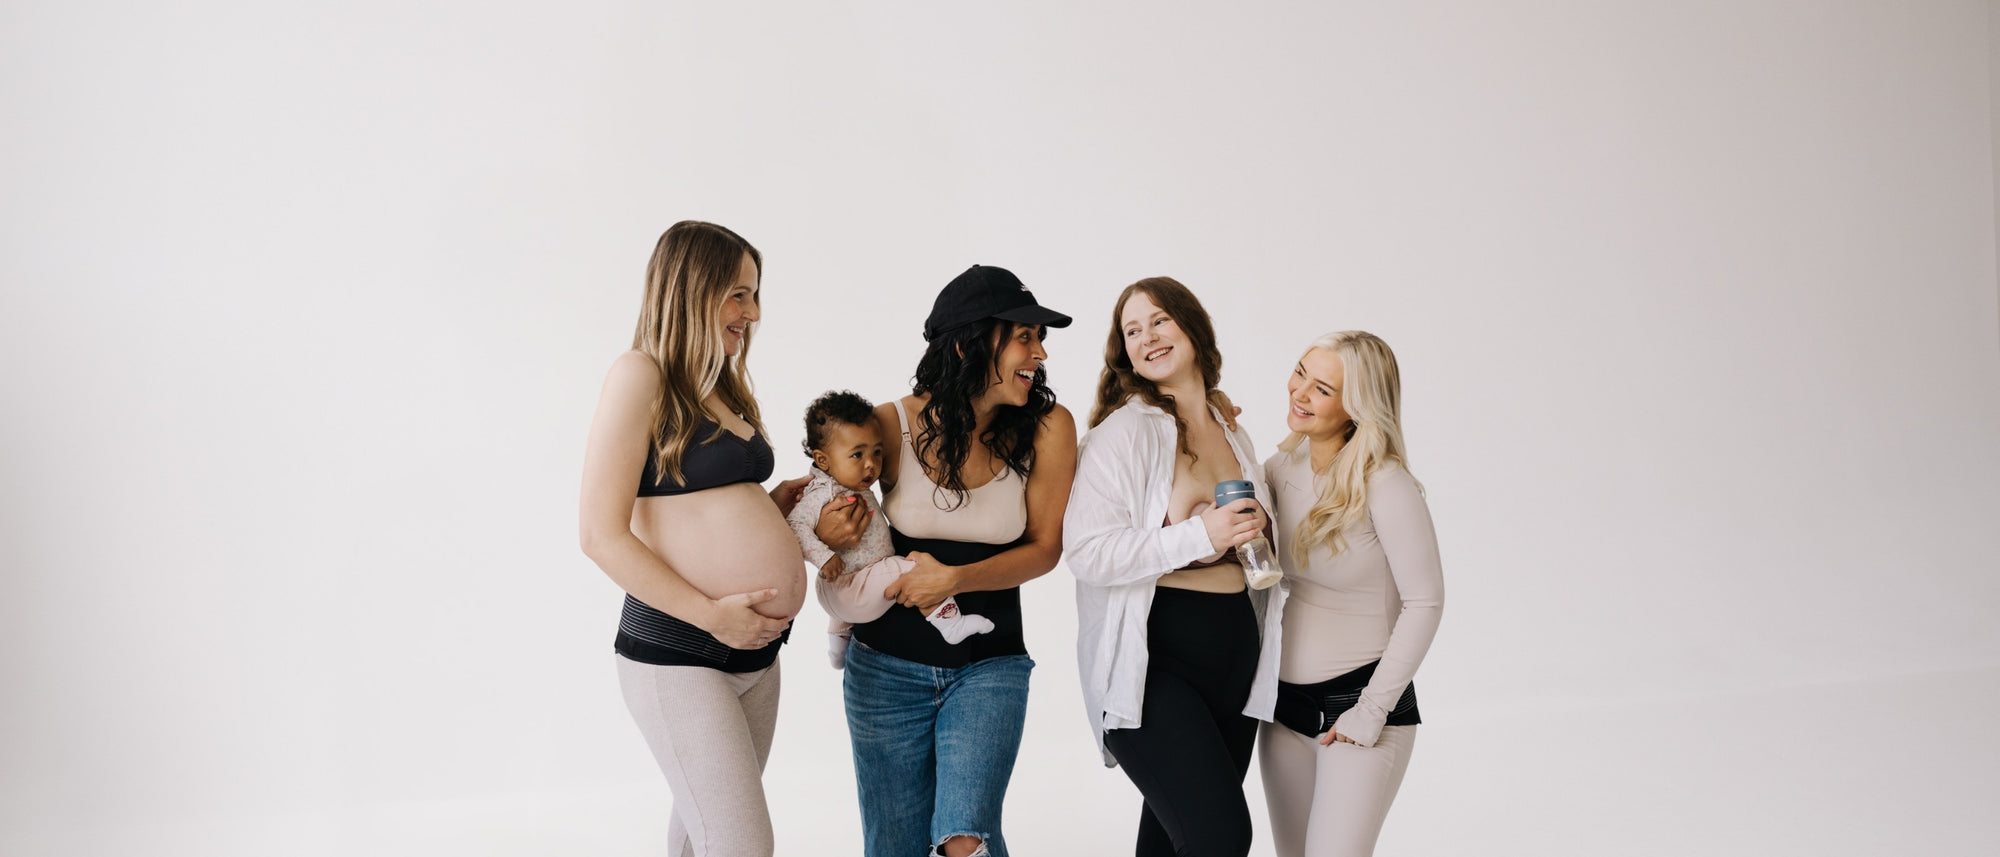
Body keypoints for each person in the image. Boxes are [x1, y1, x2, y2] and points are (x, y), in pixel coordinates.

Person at [577, 221, 850, 857]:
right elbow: (599, 534)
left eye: (754, 296)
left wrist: (772, 511)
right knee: (741, 845)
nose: (752, 314)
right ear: (690, 288)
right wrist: (710, 615)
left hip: (755, 653)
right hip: (681, 652)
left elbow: (702, 504)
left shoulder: (721, 382)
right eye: (737, 294)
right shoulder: (638, 374)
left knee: (703, 842)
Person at [827, 264, 1077, 857]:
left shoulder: (1048, 428)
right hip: (884, 669)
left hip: (989, 666)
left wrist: (955, 578)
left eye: (1041, 339)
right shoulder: (889, 423)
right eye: (1025, 336)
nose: (1040, 353)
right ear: (968, 343)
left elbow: (1045, 549)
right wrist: (831, 531)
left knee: (966, 840)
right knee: (895, 846)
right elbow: (825, 499)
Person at [1064, 277, 1288, 857]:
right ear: (1124, 352)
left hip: (1236, 655)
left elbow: (1246, 538)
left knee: (1172, 843)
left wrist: (1251, 531)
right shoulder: (1123, 434)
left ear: (1191, 325)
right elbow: (1086, 552)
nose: (1148, 337)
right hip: (1155, 664)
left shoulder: (1232, 427)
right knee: (1220, 837)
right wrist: (1197, 535)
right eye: (1132, 330)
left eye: (1159, 320)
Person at [1258, 331, 1444, 857]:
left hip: (1360, 709)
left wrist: (1371, 711)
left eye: (1323, 389)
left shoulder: (1386, 484)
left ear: (1357, 407)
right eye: (1300, 373)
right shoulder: (1279, 468)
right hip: (1284, 711)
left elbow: (1425, 602)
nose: (1300, 393)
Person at [787, 389, 995, 670]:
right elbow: (794, 527)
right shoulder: (820, 493)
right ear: (823, 460)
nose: (871, 464)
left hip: (839, 594)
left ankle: (837, 648)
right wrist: (823, 555)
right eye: (857, 454)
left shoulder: (847, 485)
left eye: (877, 452)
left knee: (865, 581)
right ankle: (950, 623)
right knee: (912, 568)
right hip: (851, 590)